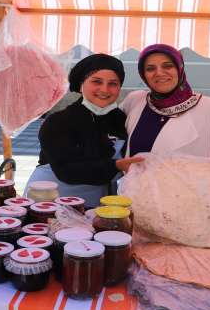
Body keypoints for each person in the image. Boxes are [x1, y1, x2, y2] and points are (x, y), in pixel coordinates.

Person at [25, 54, 143, 206]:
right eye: (96, 82)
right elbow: (66, 170)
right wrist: (116, 166)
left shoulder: (121, 119)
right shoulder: (58, 121)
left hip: (98, 199)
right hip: (51, 198)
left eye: (113, 83)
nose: (104, 89)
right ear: (81, 84)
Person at [120, 44, 210, 163]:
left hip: (191, 183)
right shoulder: (135, 100)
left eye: (167, 66)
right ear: (143, 75)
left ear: (180, 68)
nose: (159, 73)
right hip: (134, 182)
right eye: (150, 68)